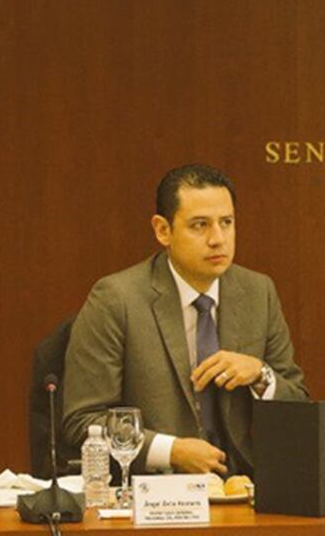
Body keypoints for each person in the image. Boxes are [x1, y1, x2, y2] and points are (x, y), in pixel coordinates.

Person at [62, 164, 309, 476]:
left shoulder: (258, 292)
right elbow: (83, 420)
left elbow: (299, 406)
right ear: (163, 230)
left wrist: (261, 375)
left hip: (245, 489)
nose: (218, 239)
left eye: (227, 223)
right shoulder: (117, 299)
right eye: (200, 225)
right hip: (156, 497)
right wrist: (171, 451)